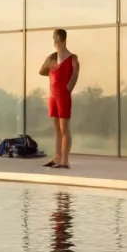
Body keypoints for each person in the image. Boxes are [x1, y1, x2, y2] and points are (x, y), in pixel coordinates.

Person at [37, 29, 79, 169]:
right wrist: (51, 66)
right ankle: (57, 158)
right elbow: (42, 71)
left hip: (62, 96)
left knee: (64, 129)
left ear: (61, 40)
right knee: (57, 131)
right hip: (53, 96)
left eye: (55, 38)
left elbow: (74, 77)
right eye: (53, 39)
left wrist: (67, 89)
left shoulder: (72, 58)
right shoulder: (52, 57)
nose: (54, 42)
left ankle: (65, 161)